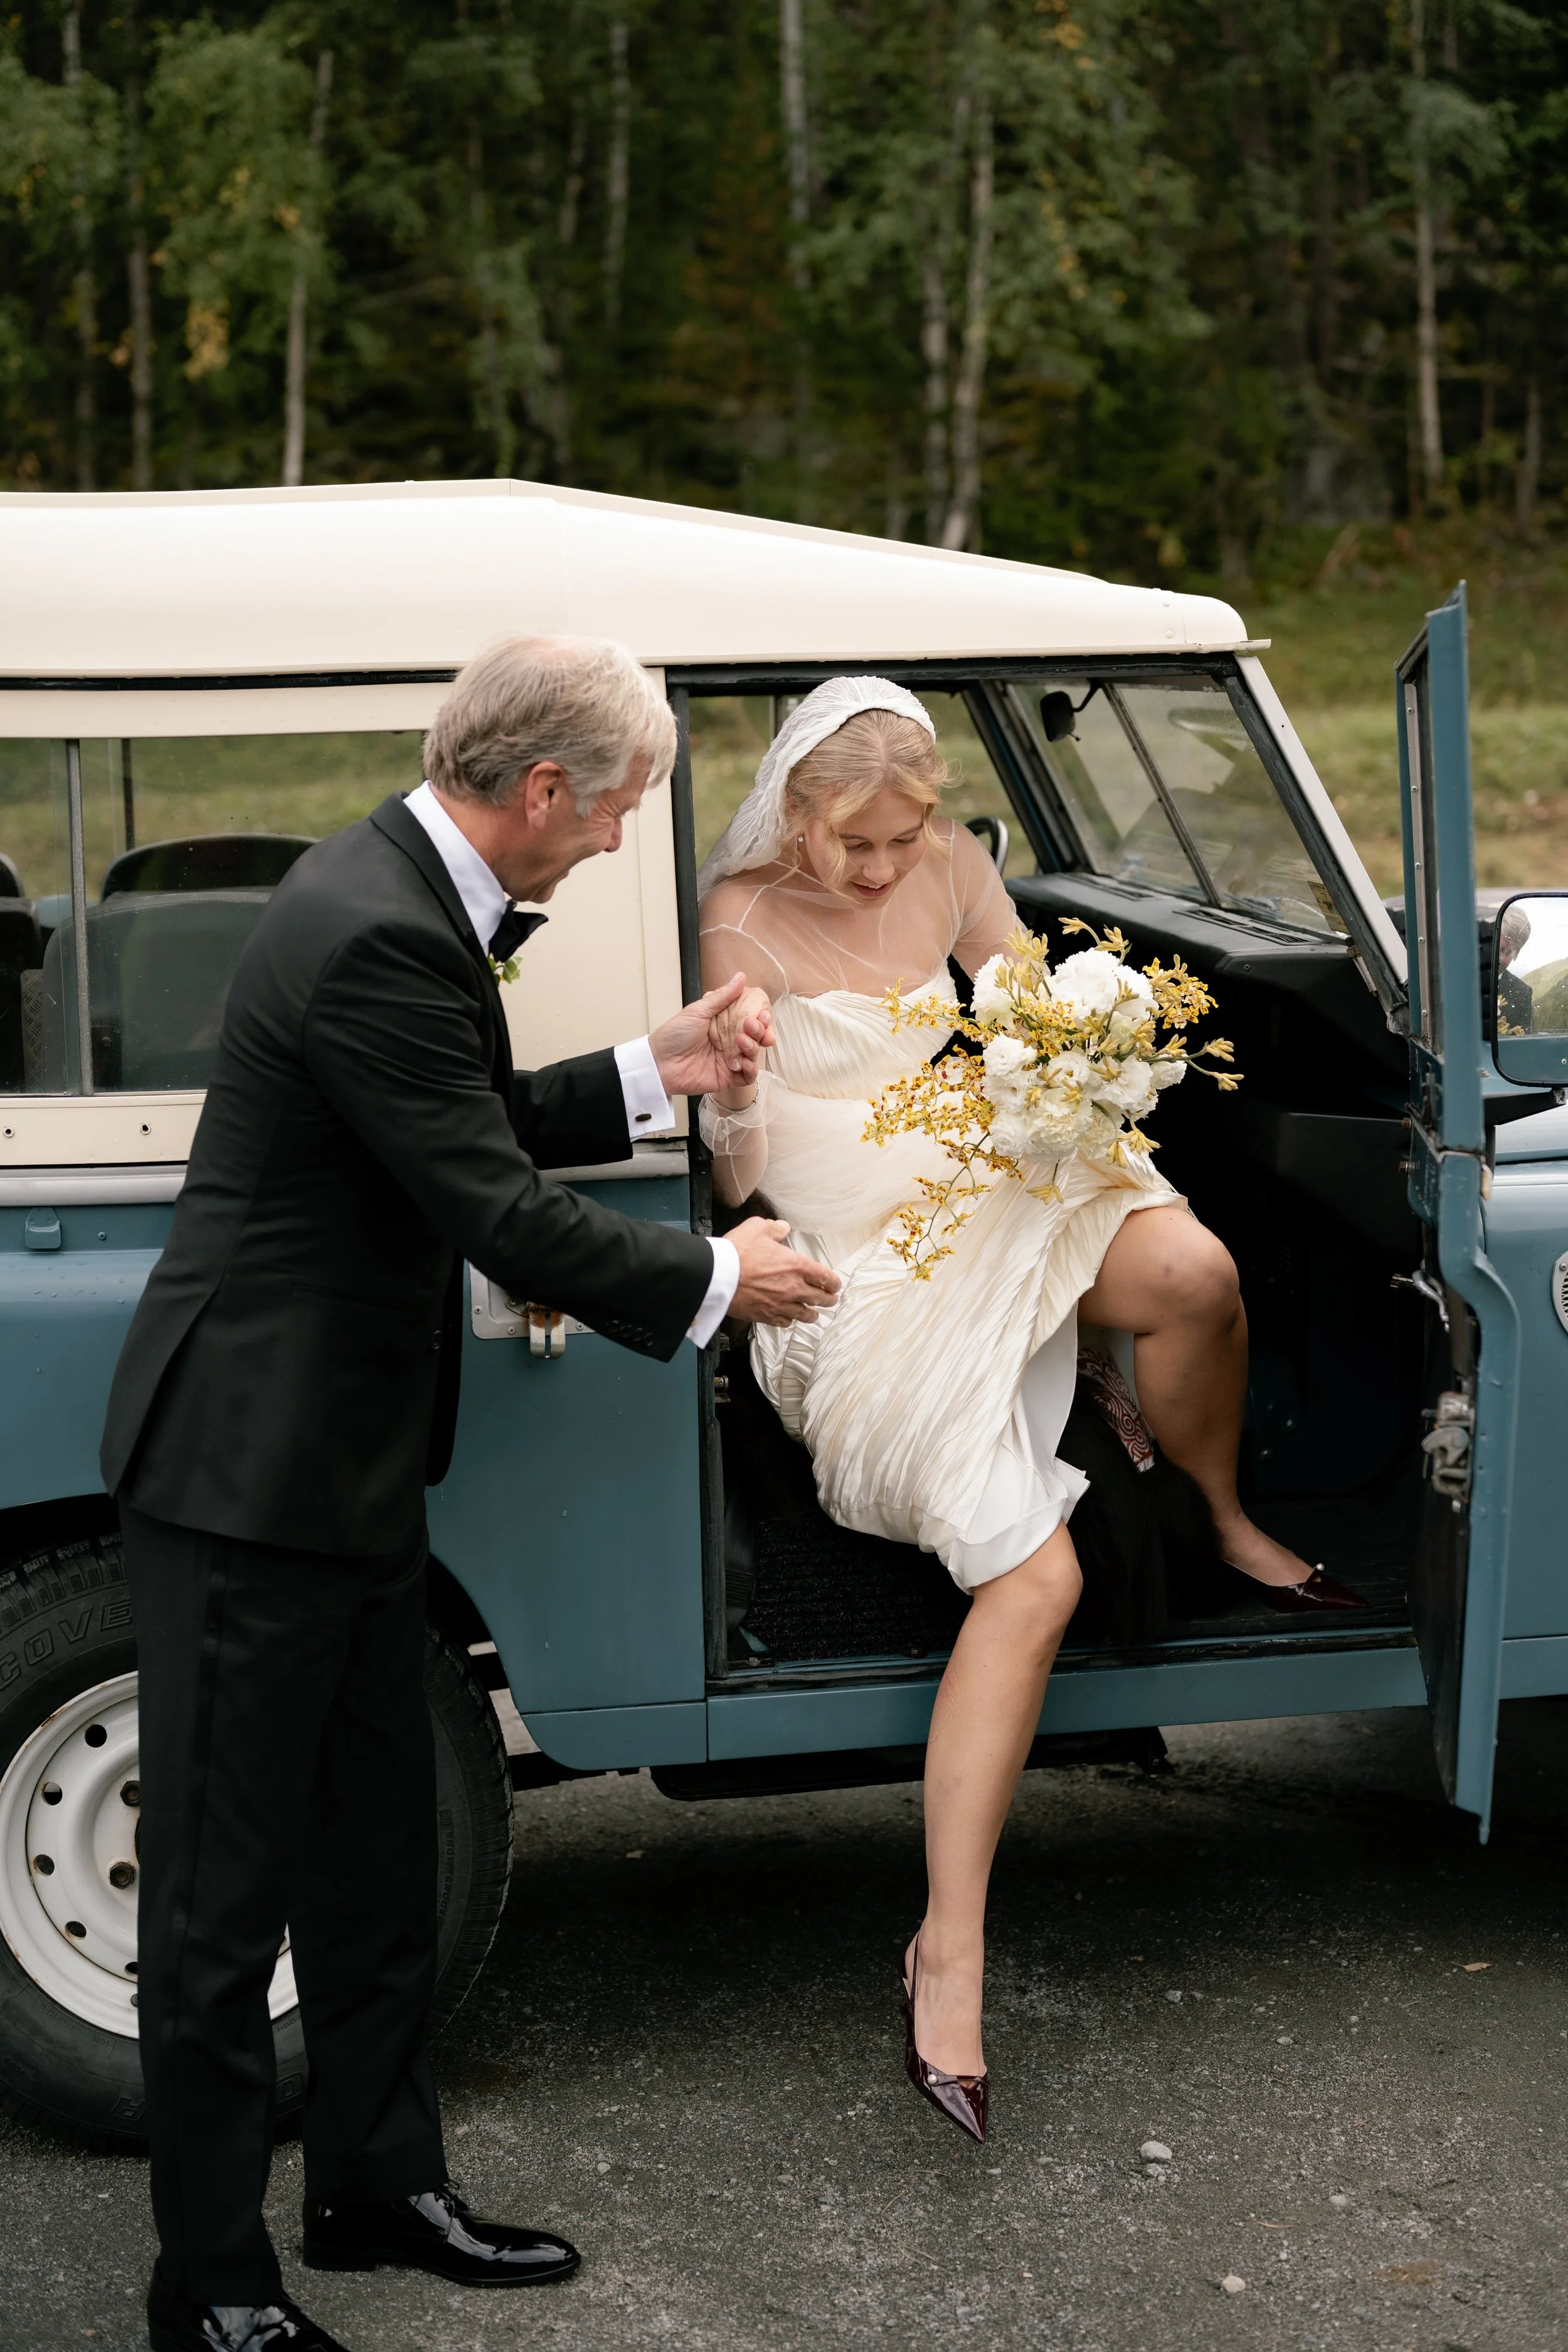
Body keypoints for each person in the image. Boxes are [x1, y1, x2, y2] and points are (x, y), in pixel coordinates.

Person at [101, 635, 839, 2352]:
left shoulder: (390, 887)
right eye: (615, 812)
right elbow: (490, 1204)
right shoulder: (370, 923)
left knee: (376, 1852)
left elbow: (461, 1111)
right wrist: (720, 1278)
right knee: (217, 1902)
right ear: (537, 791)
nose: (610, 840)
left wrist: (652, 1062)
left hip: (344, 1461)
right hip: (242, 1473)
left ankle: (370, 2184)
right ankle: (205, 2285)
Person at [696, 677, 1364, 2146]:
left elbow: (1020, 1006)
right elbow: (740, 1174)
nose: (880, 871)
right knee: (1034, 1575)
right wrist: (730, 1086)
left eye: (902, 838)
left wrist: (1071, 1060)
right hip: (856, 1260)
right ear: (792, 811)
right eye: (850, 845)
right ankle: (949, 1952)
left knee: (1194, 1269)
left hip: (987, 1170)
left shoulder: (948, 862)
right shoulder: (734, 918)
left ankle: (1221, 1513)